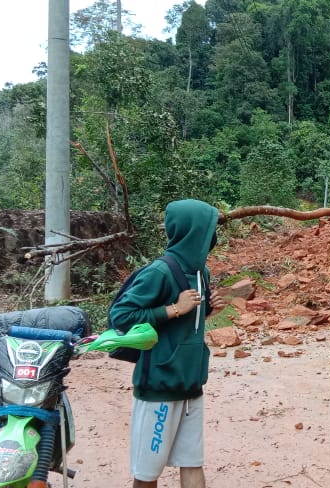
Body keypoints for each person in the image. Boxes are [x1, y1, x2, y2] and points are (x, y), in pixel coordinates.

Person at [109, 199, 226, 488]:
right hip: (159, 387)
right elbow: (120, 316)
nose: (213, 236)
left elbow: (188, 322)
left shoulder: (201, 273)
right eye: (209, 228)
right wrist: (173, 309)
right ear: (192, 231)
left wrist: (207, 309)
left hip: (191, 385)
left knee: (192, 463)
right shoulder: (158, 272)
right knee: (148, 474)